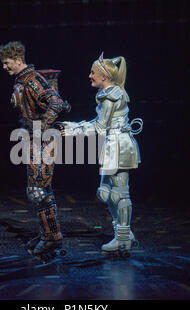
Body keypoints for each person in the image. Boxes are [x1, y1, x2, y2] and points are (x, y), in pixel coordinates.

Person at [60, 52, 142, 255]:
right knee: (104, 193)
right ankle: (125, 232)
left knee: (120, 193)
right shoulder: (111, 93)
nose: (90, 76)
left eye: (93, 73)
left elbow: (100, 127)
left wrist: (71, 130)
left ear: (104, 77)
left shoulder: (110, 95)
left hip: (119, 145)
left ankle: (122, 238)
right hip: (112, 145)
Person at [0, 41, 70, 257]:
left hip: (42, 140)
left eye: (7, 63)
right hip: (34, 138)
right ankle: (49, 234)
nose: (4, 67)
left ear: (19, 60)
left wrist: (42, 128)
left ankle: (52, 238)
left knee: (37, 191)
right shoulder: (23, 80)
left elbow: (56, 103)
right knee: (41, 190)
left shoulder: (32, 80)